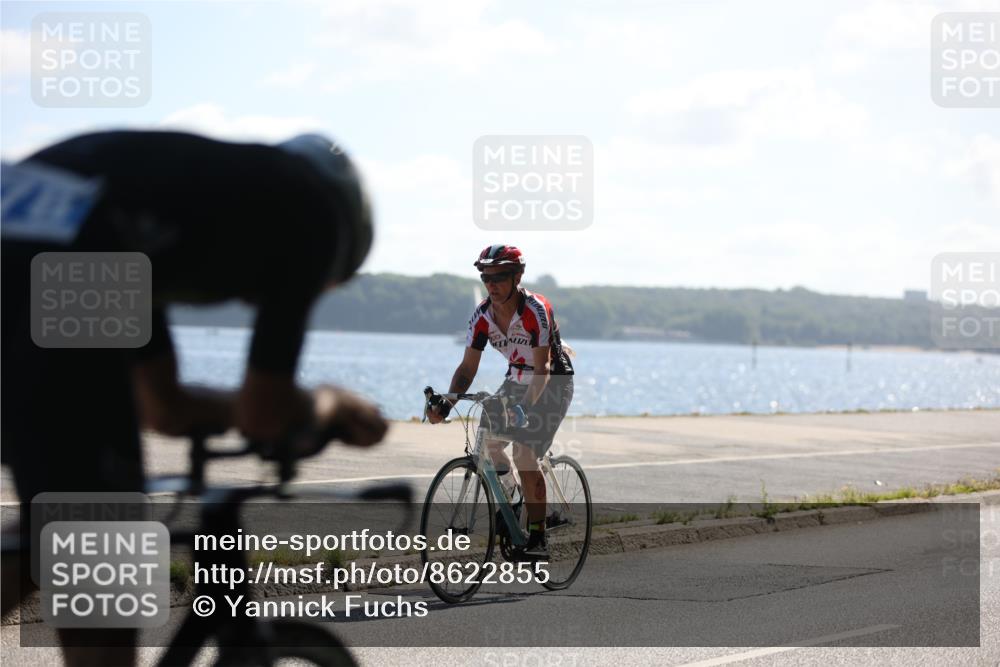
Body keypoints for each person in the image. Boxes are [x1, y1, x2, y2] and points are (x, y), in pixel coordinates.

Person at [0, 130, 388, 664]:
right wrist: (333, 404)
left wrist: (250, 410)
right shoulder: (312, 211)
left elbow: (165, 406)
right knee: (97, 535)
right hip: (62, 256)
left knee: (65, 517)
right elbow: (265, 414)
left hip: (30, 234)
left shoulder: (148, 220)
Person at [427, 244, 574, 559]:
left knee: (524, 454)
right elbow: (467, 369)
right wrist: (446, 403)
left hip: (551, 382)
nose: (491, 284)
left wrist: (525, 410)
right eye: (486, 277)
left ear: (518, 276)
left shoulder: (536, 309)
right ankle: (513, 502)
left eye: (500, 277)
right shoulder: (482, 316)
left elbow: (543, 367)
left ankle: (538, 539)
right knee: (490, 445)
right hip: (516, 380)